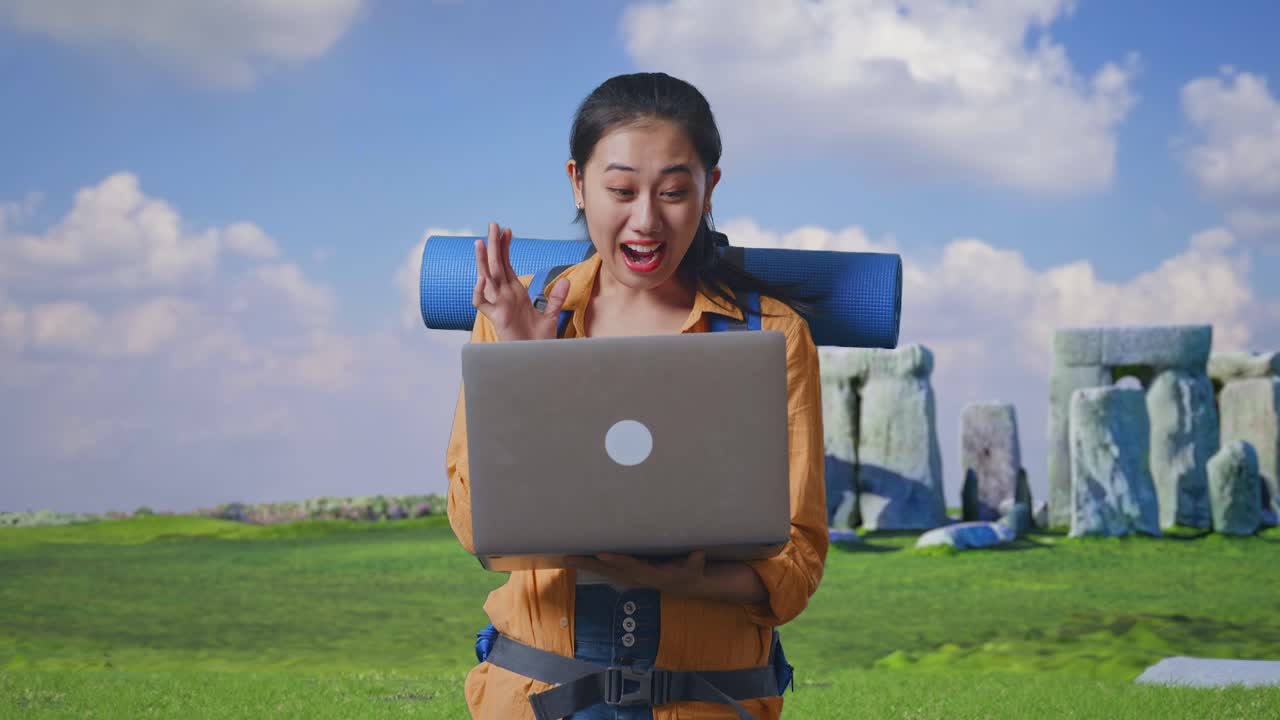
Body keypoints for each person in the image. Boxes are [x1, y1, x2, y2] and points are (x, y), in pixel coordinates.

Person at [446, 72, 827, 720]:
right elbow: (475, 525)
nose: (646, 220)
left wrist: (695, 581)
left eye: (675, 191)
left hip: (710, 704)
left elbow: (797, 558)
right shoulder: (515, 313)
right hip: (537, 699)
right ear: (577, 183)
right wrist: (526, 365)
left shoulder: (774, 337)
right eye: (621, 190)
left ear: (710, 191)